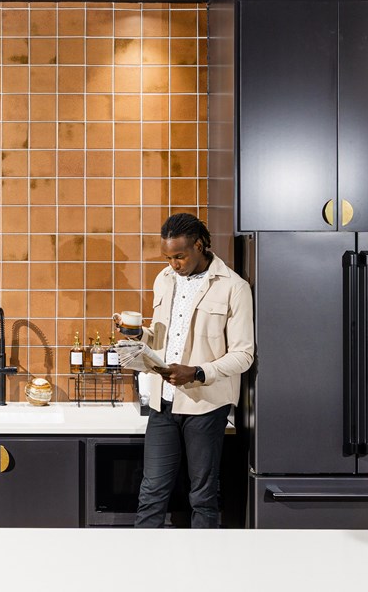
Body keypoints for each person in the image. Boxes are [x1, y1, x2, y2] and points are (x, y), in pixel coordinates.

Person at [124, 212, 255, 528]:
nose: (173, 264)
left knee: (203, 496)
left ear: (200, 245)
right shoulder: (164, 279)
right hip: (163, 404)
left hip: (205, 406)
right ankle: (143, 568)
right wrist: (137, 336)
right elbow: (160, 337)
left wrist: (196, 372)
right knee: (152, 491)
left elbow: (244, 355)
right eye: (168, 257)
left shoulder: (233, 288)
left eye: (180, 256)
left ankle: (203, 570)